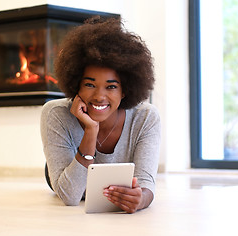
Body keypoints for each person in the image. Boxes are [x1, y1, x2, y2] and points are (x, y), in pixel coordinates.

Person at [40, 16, 160, 214]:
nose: (99, 96)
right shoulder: (56, 113)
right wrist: (90, 130)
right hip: (68, 166)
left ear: (125, 90)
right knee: (64, 179)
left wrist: (141, 199)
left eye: (111, 86)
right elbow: (70, 196)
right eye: (89, 84)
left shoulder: (145, 117)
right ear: (76, 83)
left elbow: (146, 185)